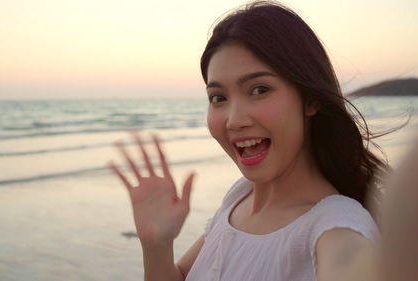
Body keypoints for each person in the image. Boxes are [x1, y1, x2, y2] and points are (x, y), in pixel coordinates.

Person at [108, 1, 392, 280]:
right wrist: (157, 246)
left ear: (311, 99)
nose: (234, 120)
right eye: (218, 98)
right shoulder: (240, 196)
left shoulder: (336, 228)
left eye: (259, 89)